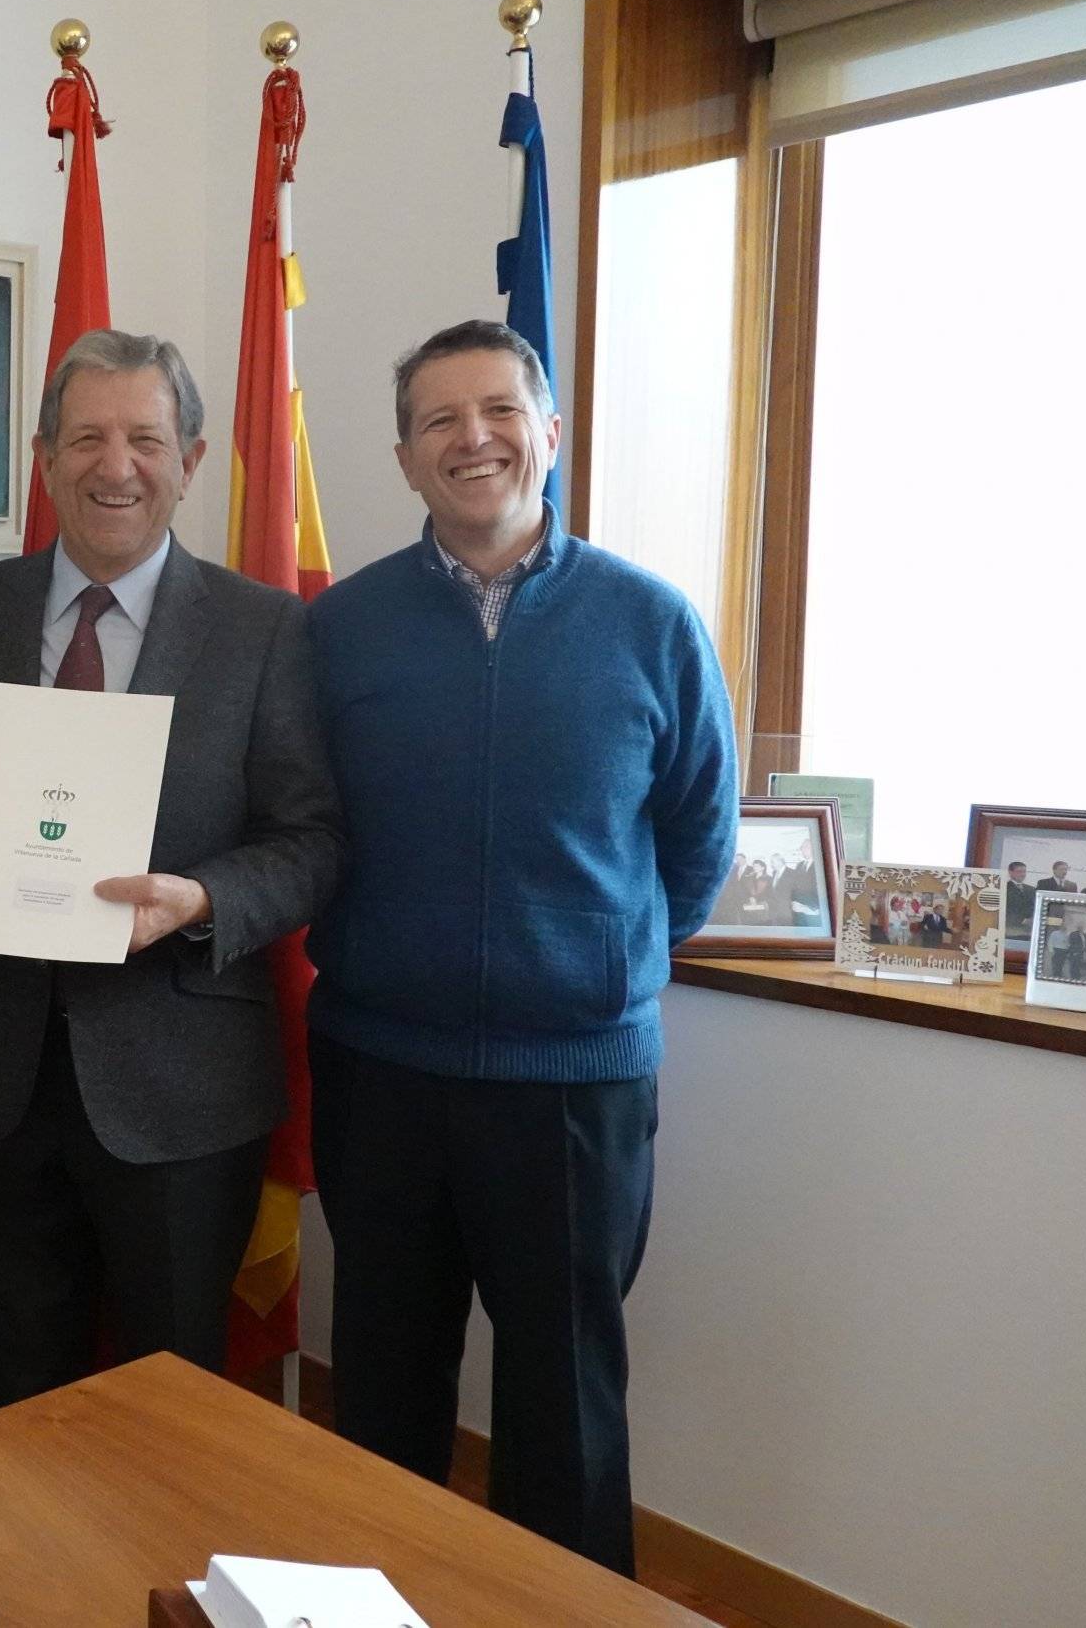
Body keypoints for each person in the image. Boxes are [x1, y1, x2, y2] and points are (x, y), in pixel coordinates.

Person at [303, 319, 736, 1576]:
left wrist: (595, 960)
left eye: (498, 410)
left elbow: (696, 842)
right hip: (381, 1073)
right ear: (401, 456)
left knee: (567, 1413)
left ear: (549, 433)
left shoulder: (651, 624)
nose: (471, 439)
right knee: (380, 1401)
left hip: (574, 1088)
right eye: (438, 419)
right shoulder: (340, 629)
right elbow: (308, 817)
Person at [0, 329, 342, 1414]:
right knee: (10, 1398)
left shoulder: (264, 628)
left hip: (180, 1088)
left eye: (143, 438)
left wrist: (201, 902)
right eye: (85, 437)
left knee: (172, 1407)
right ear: (43, 457)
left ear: (188, 458)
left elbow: (312, 840)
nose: (113, 465)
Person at [1005, 862, 1036, 937]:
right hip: (1010, 929)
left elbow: (1033, 907)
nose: (1022, 874)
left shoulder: (1031, 889)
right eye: (1019, 872)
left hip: (1028, 930)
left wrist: (1030, 919)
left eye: (1024, 871)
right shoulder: (1004, 887)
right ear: (1010, 872)